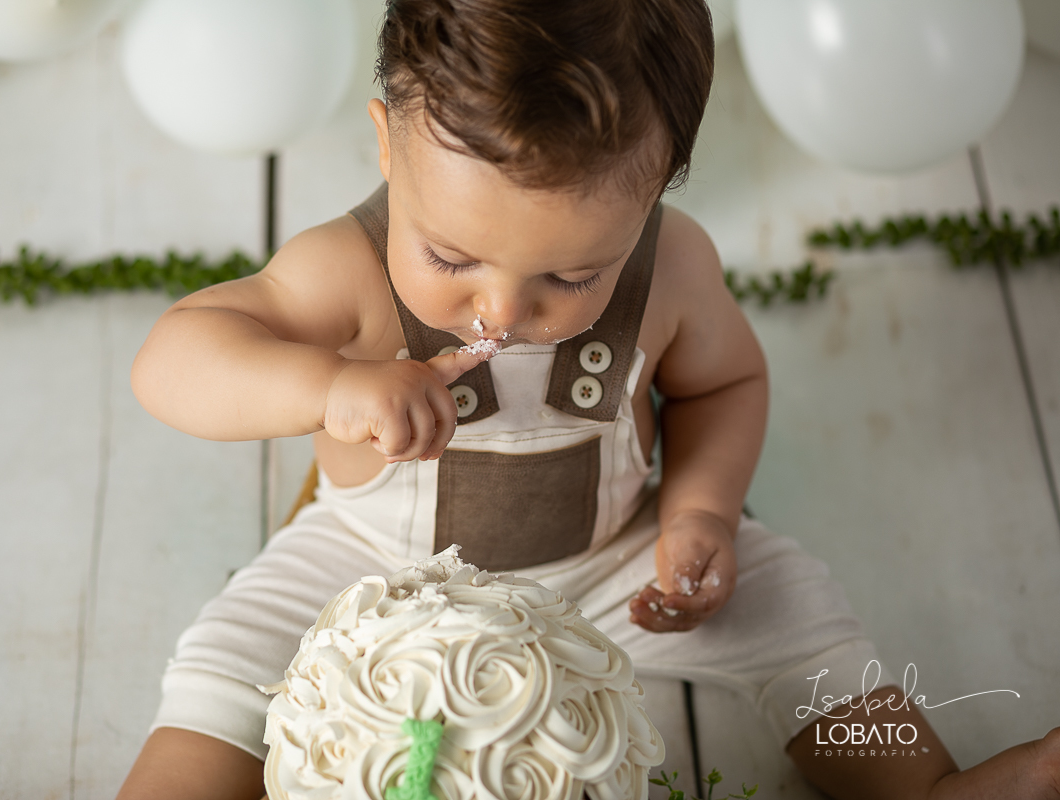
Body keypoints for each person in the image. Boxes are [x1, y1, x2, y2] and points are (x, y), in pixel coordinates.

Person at [120, 1, 1060, 798]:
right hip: (369, 568)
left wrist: (700, 512)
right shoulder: (347, 270)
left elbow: (725, 383)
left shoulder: (674, 268)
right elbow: (174, 359)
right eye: (450, 257)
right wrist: (328, 386)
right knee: (228, 671)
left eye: (572, 273)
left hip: (614, 561)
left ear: (653, 194)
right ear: (386, 147)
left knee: (801, 624)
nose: (502, 308)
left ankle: (928, 783)